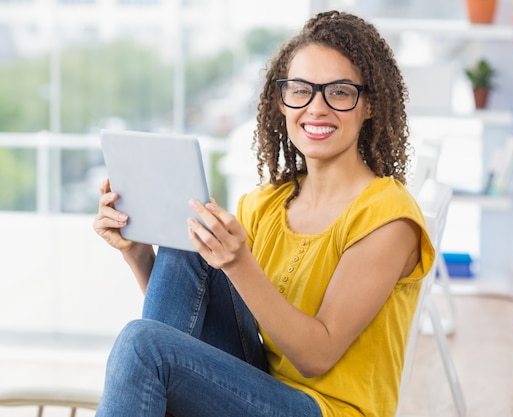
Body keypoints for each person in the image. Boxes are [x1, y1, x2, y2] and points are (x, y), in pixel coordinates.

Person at [93, 10, 434, 417]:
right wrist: (137, 253)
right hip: (258, 390)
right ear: (282, 101)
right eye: (300, 90)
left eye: (339, 92)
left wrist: (238, 264)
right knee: (190, 234)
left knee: (141, 345)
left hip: (328, 410)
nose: (316, 107)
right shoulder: (264, 203)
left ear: (369, 105)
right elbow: (183, 322)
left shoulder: (388, 217)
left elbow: (317, 356)